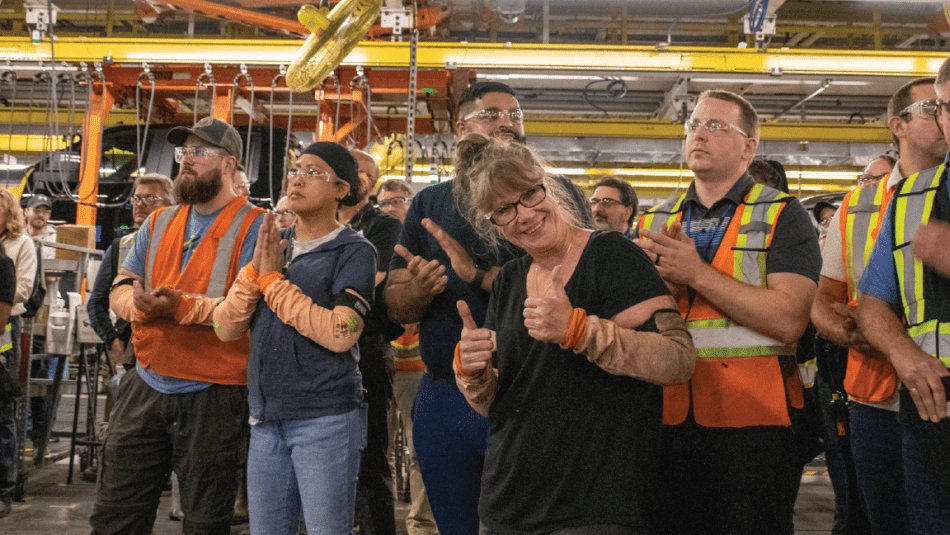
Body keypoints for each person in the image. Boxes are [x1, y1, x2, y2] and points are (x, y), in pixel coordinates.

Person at [452, 135, 694, 534]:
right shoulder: (510, 280)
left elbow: (678, 360)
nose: (523, 215)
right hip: (506, 504)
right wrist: (473, 374)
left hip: (594, 507)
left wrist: (579, 330)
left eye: (530, 195)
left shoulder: (611, 254)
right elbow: (500, 403)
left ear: (548, 187)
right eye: (503, 210)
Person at [385, 81, 588, 535]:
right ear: (462, 128)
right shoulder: (430, 203)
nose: (508, 124)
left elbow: (584, 285)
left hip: (532, 389)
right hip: (443, 392)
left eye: (516, 116)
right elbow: (396, 305)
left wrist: (478, 274)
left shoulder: (557, 194)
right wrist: (417, 290)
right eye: (494, 114)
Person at [638, 89, 821, 534]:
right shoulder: (653, 221)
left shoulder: (784, 215)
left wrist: (696, 274)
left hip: (755, 424)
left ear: (749, 146)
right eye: (694, 126)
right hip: (666, 418)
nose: (699, 135)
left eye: (716, 126)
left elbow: (789, 320)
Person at [89, 117, 265, 534]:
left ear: (228, 165)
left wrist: (177, 306)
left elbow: (243, 312)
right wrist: (137, 304)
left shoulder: (256, 225)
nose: (185, 161)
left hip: (216, 393)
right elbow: (119, 290)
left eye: (199, 153)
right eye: (183, 152)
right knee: (116, 514)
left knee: (205, 521)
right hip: (146, 382)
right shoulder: (159, 222)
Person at [212, 141, 373, 534]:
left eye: (314, 171)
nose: (298, 178)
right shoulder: (273, 247)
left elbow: (340, 334)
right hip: (266, 419)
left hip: (325, 418)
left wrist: (272, 282)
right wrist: (255, 276)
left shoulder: (353, 252)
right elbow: (225, 326)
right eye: (297, 169)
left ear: (342, 189)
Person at [814, 77, 946, 535]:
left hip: (933, 396)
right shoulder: (864, 204)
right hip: (875, 397)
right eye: (935, 107)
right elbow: (828, 299)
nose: (943, 117)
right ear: (899, 125)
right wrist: (858, 333)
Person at [857, 60, 950, 534]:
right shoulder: (911, 198)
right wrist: (903, 354)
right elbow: (873, 304)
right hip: (930, 413)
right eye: (947, 109)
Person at [339, 148, 401, 535]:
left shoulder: (384, 226)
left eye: (364, 173)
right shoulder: (307, 223)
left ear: (371, 184)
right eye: (349, 170)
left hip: (368, 356)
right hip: (312, 357)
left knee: (369, 463)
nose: (355, 177)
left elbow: (369, 285)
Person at [378, 179, 438, 535]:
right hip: (381, 363)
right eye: (384, 203)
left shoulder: (425, 247)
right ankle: (383, 519)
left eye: (398, 201)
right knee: (379, 448)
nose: (391, 208)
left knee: (420, 451)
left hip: (417, 368)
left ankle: (422, 525)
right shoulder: (375, 245)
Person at [87, 174, 175, 376]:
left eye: (150, 198)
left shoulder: (183, 245)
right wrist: (112, 339)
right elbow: (96, 301)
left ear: (171, 206)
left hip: (168, 348)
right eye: (137, 198)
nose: (140, 204)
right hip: (128, 346)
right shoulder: (122, 247)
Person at [0, 189, 35, 519]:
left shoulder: (21, 245)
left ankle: (3, 491)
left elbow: (22, 288)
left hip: (7, 329)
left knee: (3, 414)